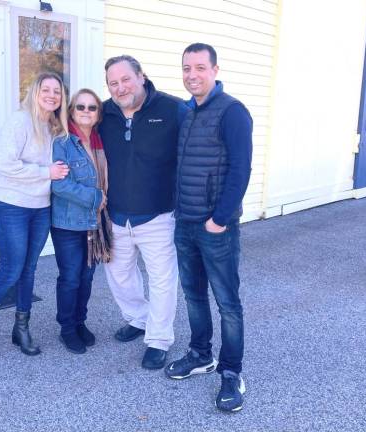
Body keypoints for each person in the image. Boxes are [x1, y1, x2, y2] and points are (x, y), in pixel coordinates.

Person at [165, 43, 253, 413]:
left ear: (215, 70)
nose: (192, 74)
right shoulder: (187, 112)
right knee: (193, 296)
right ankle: (200, 354)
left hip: (216, 226)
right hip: (184, 222)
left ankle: (231, 373)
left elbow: (241, 170)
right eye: (186, 68)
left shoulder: (232, 112)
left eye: (200, 67)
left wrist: (220, 218)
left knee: (227, 303)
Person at [0, 72, 70, 363]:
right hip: (10, 204)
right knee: (11, 269)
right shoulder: (19, 121)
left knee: (29, 269)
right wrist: (46, 173)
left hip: (40, 206)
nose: (51, 95)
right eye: (45, 89)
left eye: (56, 91)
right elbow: (5, 165)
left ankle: (21, 328)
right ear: (35, 93)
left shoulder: (55, 127)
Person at [98, 55, 189, 369]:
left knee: (162, 280)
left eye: (126, 79)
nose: (120, 87)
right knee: (119, 275)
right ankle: (138, 318)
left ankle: (159, 339)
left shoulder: (173, 109)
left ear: (141, 77)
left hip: (159, 214)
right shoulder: (103, 113)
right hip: (115, 216)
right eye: (113, 83)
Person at [50, 88, 110, 354]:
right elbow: (59, 186)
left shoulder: (101, 140)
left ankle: (80, 321)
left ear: (98, 114)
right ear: (71, 111)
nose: (86, 112)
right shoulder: (62, 142)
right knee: (71, 278)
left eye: (92, 108)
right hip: (68, 222)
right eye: (80, 107)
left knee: (87, 277)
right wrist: (96, 197)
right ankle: (66, 328)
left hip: (94, 223)